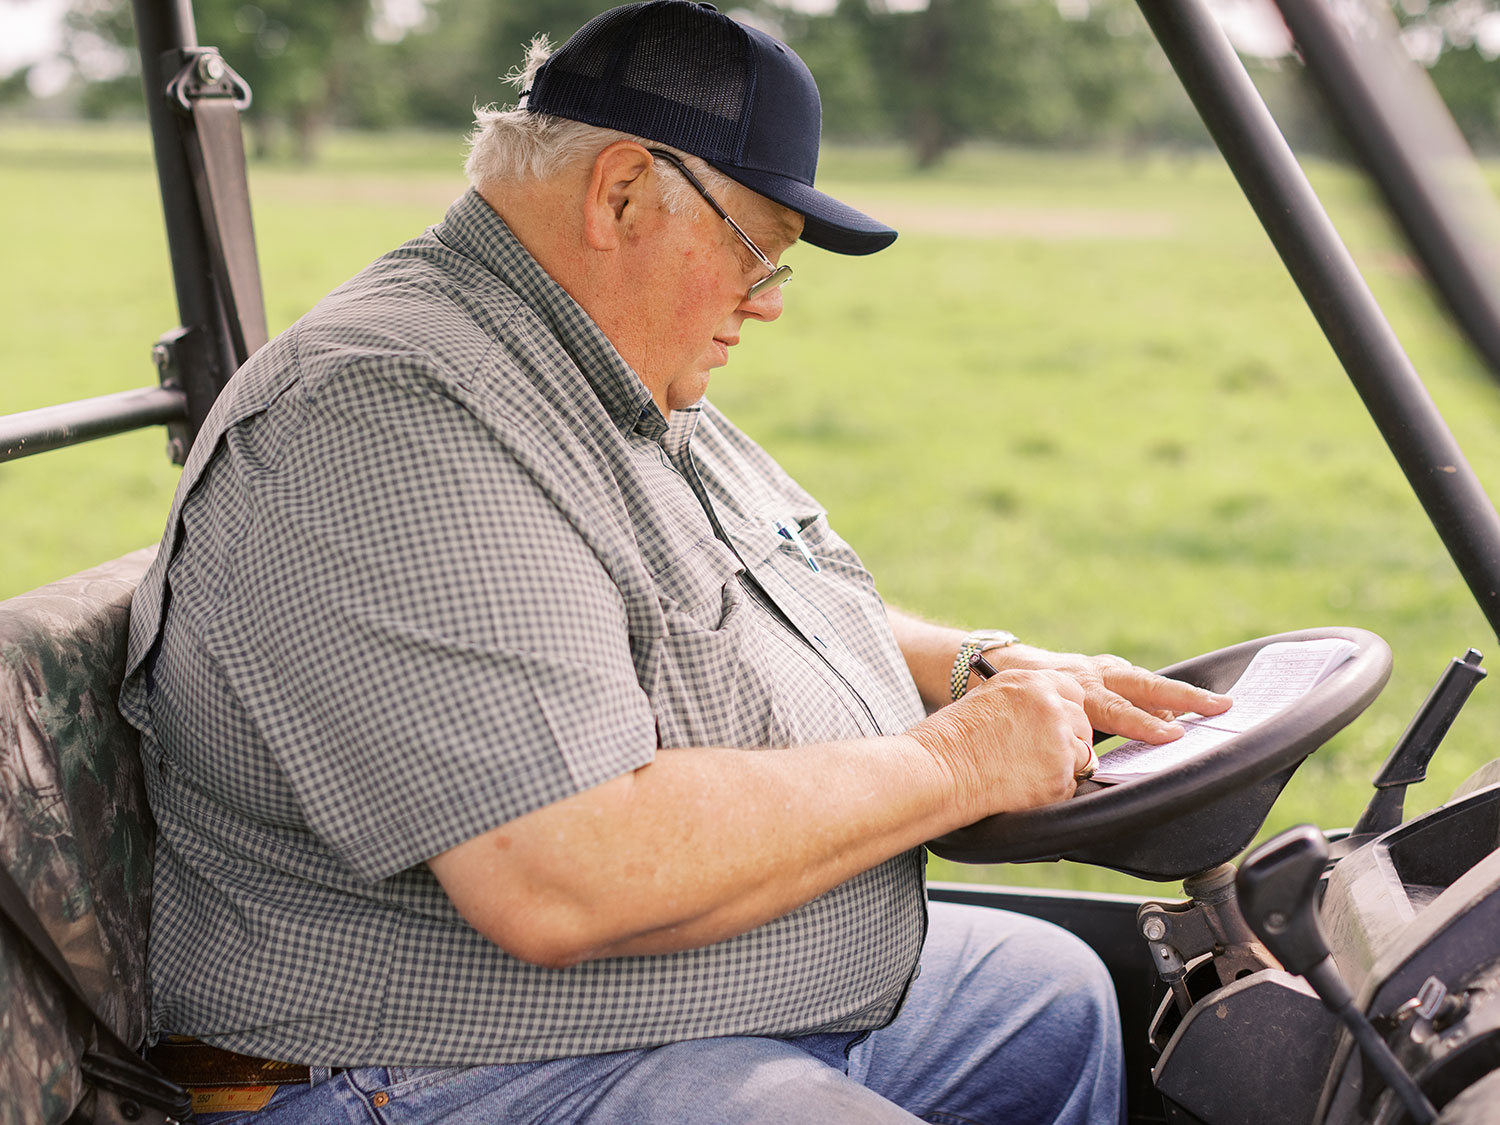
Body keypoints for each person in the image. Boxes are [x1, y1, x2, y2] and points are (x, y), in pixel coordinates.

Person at [120, 2, 1230, 1121]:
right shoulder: (394, 408)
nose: (771, 302)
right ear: (620, 194)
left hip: (662, 1011)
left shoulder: (600, 372)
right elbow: (562, 867)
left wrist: (976, 669)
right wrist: (958, 764)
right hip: (433, 1066)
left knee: (1053, 1001)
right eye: (758, 251)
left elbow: (764, 598)